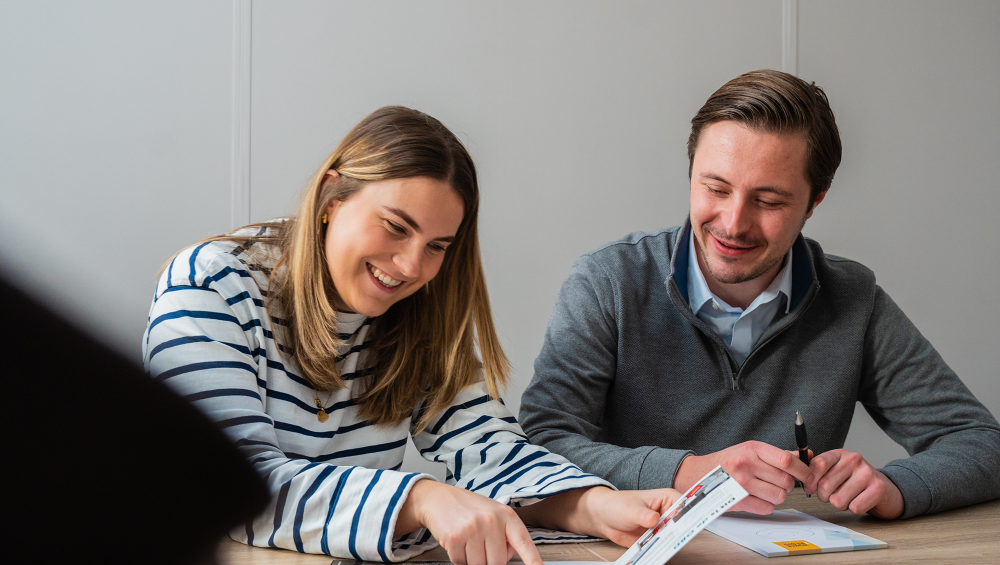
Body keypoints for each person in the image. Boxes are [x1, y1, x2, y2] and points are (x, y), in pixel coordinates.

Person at [142, 106, 680, 563]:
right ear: (332, 199)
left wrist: (596, 505)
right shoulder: (211, 284)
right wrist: (422, 498)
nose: (409, 265)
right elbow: (227, 488)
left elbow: (486, 446)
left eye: (438, 246)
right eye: (396, 226)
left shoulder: (420, 311)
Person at [519, 70, 1000, 521]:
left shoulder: (854, 300)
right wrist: (691, 472)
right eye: (715, 188)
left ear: (816, 201)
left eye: (768, 201)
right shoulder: (608, 282)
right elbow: (541, 444)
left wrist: (895, 488)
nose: (733, 223)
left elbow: (982, 444)